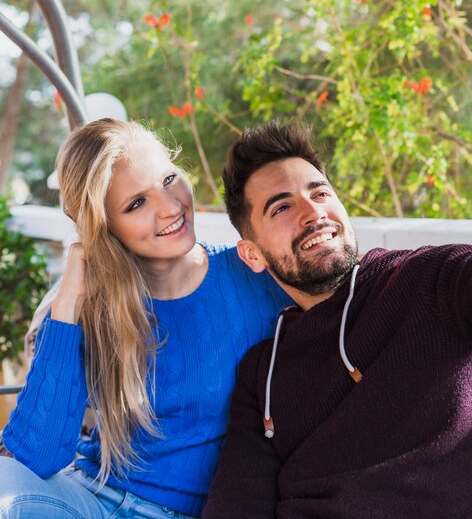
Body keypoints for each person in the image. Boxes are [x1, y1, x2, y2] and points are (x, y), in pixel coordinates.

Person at [203, 46, 472, 518]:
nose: (313, 213)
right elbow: (236, 504)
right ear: (251, 254)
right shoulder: (262, 373)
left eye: (320, 193)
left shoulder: (431, 281)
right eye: (282, 207)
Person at [0, 118, 292, 519]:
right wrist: (67, 300)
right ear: (106, 228)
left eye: (169, 178)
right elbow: (37, 457)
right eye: (136, 203)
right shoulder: (92, 309)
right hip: (93, 501)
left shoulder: (252, 276)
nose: (171, 207)